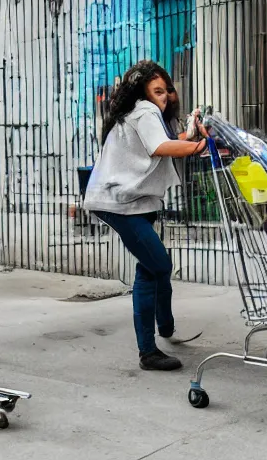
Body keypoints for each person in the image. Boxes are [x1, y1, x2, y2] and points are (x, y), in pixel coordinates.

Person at [83, 60, 209, 372]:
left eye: (166, 90)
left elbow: (164, 140)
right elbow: (159, 146)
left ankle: (163, 331)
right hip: (121, 203)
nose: (165, 96)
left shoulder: (137, 113)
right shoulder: (144, 111)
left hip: (135, 202)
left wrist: (190, 135)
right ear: (143, 92)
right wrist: (197, 147)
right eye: (157, 90)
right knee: (159, 264)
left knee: (151, 269)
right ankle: (149, 350)